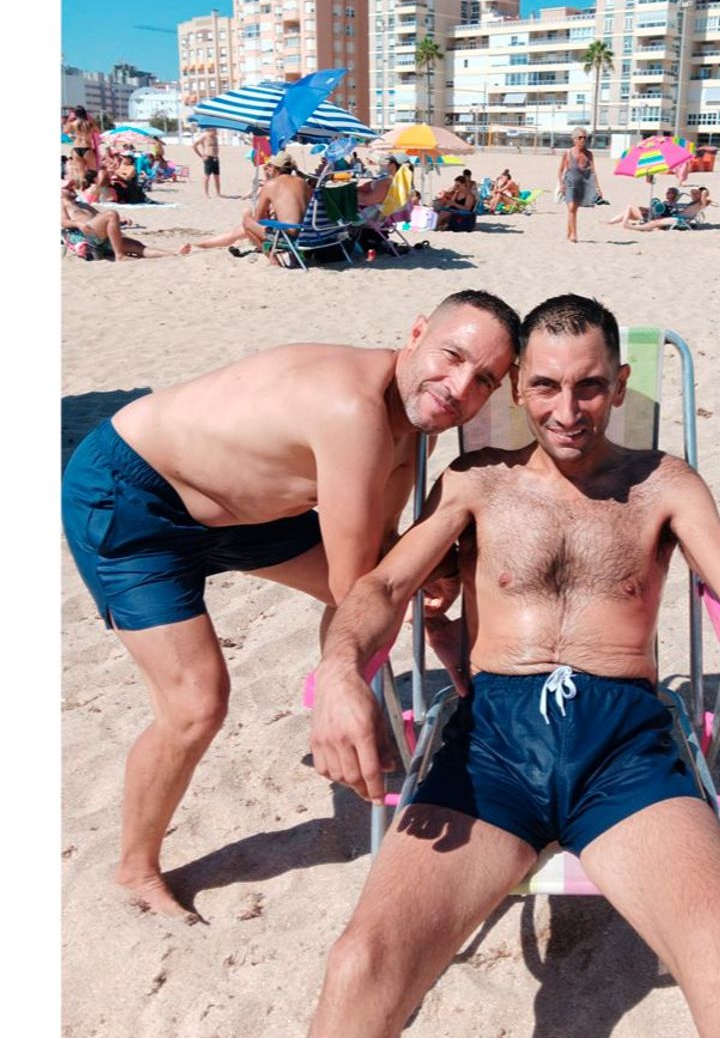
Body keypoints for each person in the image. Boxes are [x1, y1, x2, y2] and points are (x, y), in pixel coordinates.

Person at [308, 294, 720, 1038]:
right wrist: (341, 666)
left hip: (626, 750)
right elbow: (382, 586)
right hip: (491, 745)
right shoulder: (474, 480)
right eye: (545, 387)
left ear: (620, 384)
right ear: (517, 387)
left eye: (590, 386)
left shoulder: (665, 483)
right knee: (360, 962)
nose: (568, 410)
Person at [61, 291, 521, 919]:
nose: (458, 386)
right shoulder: (350, 409)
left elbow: (380, 561)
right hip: (134, 496)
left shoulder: (414, 431)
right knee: (196, 704)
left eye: (484, 380)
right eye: (452, 356)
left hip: (246, 515)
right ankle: (135, 868)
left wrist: (433, 604)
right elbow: (359, 582)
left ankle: (345, 708)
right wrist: (416, 599)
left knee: (372, 596)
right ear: (415, 332)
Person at [190, 151, 312, 264]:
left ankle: (273, 260)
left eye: (269, 166)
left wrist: (262, 214)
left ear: (276, 168)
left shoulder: (271, 185)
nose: (267, 168)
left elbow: (259, 219)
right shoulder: (303, 183)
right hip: (307, 235)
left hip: (289, 236)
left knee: (247, 220)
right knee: (242, 227)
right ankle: (200, 245)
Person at [61, 183, 185, 260]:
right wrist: (78, 224)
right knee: (111, 214)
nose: (71, 188)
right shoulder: (60, 204)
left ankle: (173, 253)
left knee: (138, 246)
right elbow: (63, 222)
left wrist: (120, 220)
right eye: (67, 187)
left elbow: (99, 216)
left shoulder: (83, 205)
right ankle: (119, 255)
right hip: (85, 234)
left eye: (71, 186)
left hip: (101, 236)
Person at [557, 128, 604, 243]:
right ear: (574, 139)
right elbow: (560, 170)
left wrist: (598, 188)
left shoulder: (589, 154)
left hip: (583, 184)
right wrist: (561, 184)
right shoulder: (568, 153)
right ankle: (574, 235)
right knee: (572, 207)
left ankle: (569, 233)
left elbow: (593, 172)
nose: (583, 140)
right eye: (580, 138)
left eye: (585, 137)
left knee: (573, 210)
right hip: (570, 183)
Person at [626, 186, 715, 232]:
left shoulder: (701, 203)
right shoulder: (694, 202)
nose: (694, 195)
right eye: (693, 193)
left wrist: (703, 190)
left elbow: (707, 197)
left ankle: (637, 228)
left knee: (655, 222)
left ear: (701, 195)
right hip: (678, 217)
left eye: (696, 194)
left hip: (680, 220)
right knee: (656, 221)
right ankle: (638, 226)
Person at [603, 186, 682, 230]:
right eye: (667, 192)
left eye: (669, 193)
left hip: (649, 219)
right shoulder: (667, 203)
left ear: (674, 194)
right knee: (628, 212)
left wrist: (650, 210)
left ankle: (623, 223)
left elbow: (662, 214)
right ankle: (611, 222)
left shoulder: (671, 204)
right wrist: (646, 209)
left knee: (630, 207)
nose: (666, 194)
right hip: (650, 216)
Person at [65, 105, 100, 180]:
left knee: (81, 173)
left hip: (76, 148)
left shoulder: (73, 123)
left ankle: (82, 187)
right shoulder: (89, 123)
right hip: (86, 147)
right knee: (92, 172)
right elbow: (97, 131)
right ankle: (91, 188)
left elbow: (65, 131)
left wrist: (72, 135)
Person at [191, 128, 222, 197]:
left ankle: (218, 193)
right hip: (208, 158)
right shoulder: (204, 136)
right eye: (214, 130)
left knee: (217, 176)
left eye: (216, 130)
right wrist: (201, 156)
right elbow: (194, 146)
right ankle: (206, 193)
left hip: (215, 158)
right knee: (207, 176)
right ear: (210, 130)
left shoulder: (216, 137)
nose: (216, 132)